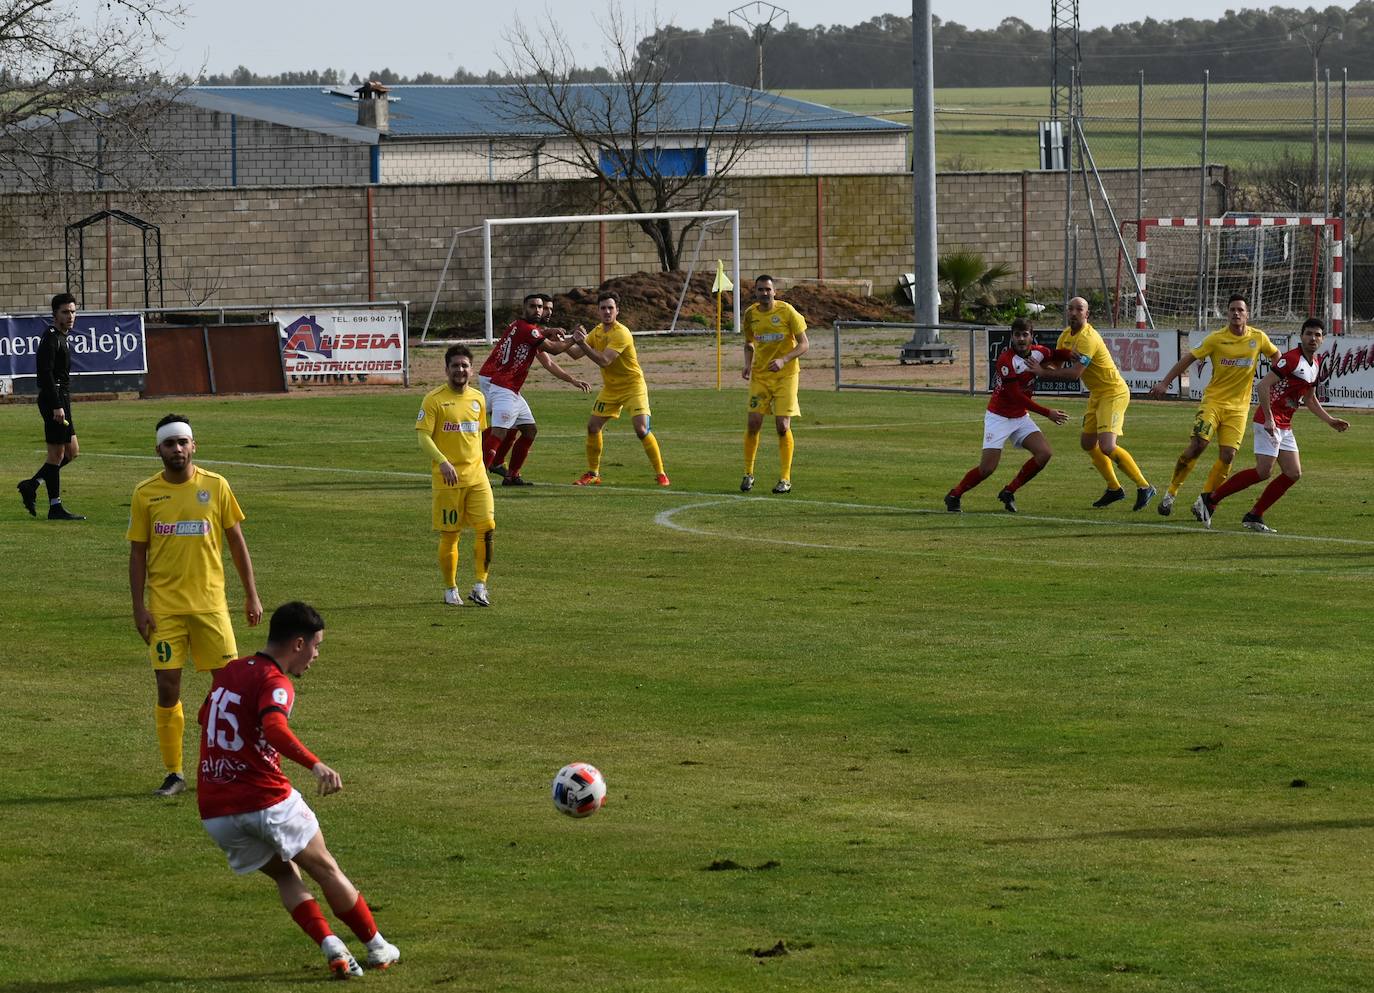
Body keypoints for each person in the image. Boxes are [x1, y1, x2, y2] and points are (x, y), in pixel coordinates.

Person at [197, 601, 400, 980]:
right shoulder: (276, 682)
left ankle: (332, 946)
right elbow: (273, 727)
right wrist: (315, 763)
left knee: (286, 876)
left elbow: (203, 718)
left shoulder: (229, 671)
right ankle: (377, 947)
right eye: (316, 646)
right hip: (266, 800)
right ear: (298, 643)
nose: (316, 656)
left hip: (216, 810)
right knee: (325, 868)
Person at [128, 414, 263, 796]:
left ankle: (231, 766)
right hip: (165, 611)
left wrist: (251, 593)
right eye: (169, 444)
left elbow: (236, 541)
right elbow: (137, 554)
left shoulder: (216, 486)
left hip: (210, 608)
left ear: (193, 446)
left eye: (182, 443)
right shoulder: (145, 494)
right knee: (167, 687)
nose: (177, 450)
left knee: (227, 691)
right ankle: (174, 773)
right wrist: (139, 607)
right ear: (158, 450)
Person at [1195, 317, 1349, 532]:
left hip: (1284, 425)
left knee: (1293, 473)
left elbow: (1310, 399)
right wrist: (1268, 418)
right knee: (1263, 471)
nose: (1313, 338)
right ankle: (1210, 499)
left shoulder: (1314, 363)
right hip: (1269, 422)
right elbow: (1263, 386)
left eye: (1317, 335)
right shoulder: (1291, 359)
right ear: (1301, 336)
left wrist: (1330, 420)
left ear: (1323, 339)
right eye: (1309, 334)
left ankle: (1254, 515)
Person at [1147, 293, 1279, 521]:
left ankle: (1205, 500)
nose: (1236, 313)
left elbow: (1278, 358)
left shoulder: (1258, 338)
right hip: (1214, 402)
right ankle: (1171, 492)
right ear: (1227, 314)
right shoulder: (1216, 338)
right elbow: (1188, 358)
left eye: (1240, 310)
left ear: (1247, 314)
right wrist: (1165, 382)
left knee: (1228, 456)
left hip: (1239, 409)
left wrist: (1281, 378)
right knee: (1199, 444)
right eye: (1232, 310)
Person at [1027, 296, 1156, 510]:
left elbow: (1075, 374)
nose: (1074, 312)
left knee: (1107, 446)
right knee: (1088, 443)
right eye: (1071, 309)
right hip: (1097, 393)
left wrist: (1042, 372)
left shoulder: (1088, 338)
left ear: (1087, 314)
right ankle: (1115, 488)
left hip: (1113, 392)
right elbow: (1055, 366)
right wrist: (1036, 364)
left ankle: (1144, 486)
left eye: (1079, 309)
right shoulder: (1065, 337)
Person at [945, 318, 1069, 513]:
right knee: (987, 469)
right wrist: (1048, 413)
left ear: (1031, 336)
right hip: (999, 417)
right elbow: (1017, 397)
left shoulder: (1039, 352)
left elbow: (1055, 354)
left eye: (1024, 334)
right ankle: (954, 494)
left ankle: (1009, 491)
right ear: (1011, 337)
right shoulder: (1006, 361)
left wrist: (1078, 355)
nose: (1021, 339)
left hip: (1020, 417)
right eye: (1017, 335)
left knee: (1044, 453)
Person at [479, 293, 591, 486]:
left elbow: (543, 342)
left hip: (510, 388)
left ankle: (511, 475)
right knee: (499, 432)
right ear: (524, 308)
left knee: (529, 430)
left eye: (542, 307)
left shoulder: (520, 326)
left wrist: (551, 333)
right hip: (502, 386)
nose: (539, 310)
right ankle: (477, 475)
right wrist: (575, 338)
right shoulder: (529, 331)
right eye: (534, 307)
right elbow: (554, 350)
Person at [417, 344, 494, 606]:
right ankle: (450, 589)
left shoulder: (478, 398)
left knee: (487, 529)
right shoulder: (434, 400)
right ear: (446, 369)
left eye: (464, 366)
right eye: (455, 366)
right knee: (451, 535)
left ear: (471, 370)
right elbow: (423, 436)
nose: (460, 370)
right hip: (448, 481)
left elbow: (478, 434)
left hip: (477, 478)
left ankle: (480, 586)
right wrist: (442, 462)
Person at [568, 292, 669, 487]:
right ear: (597, 310)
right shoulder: (596, 332)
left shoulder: (621, 332)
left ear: (617, 311)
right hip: (611, 388)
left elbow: (604, 361)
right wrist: (567, 341)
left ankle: (661, 473)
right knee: (592, 427)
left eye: (610, 308)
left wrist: (581, 343)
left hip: (633, 386)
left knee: (641, 429)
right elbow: (574, 354)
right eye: (603, 308)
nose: (607, 311)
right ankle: (593, 473)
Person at [17, 292, 84, 520]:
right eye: (65, 312)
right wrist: (56, 405)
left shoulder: (62, 336)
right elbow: (45, 375)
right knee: (56, 454)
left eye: (73, 311)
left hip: (62, 398)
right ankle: (55, 506)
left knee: (72, 451)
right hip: (53, 399)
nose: (71, 316)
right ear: (55, 314)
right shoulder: (51, 338)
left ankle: (32, 484)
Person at [740, 275, 809, 494]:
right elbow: (749, 342)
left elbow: (804, 344)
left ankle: (785, 479)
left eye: (768, 290)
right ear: (756, 292)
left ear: (774, 292)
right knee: (753, 423)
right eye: (760, 290)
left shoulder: (787, 312)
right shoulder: (750, 314)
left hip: (786, 376)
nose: (764, 293)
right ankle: (748, 474)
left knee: (782, 426)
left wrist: (783, 360)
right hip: (760, 376)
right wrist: (747, 365)